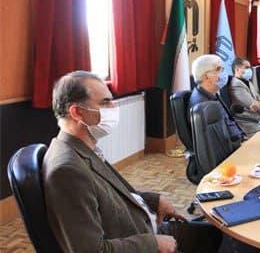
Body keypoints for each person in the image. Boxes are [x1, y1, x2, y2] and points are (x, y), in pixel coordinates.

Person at [43, 71, 223, 253]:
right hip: (144, 243)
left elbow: (113, 197)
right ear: (77, 112)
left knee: (223, 234)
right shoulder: (67, 171)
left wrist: (154, 200)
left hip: (145, 228)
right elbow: (91, 250)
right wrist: (153, 243)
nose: (113, 107)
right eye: (105, 102)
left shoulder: (82, 149)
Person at [188, 54, 247, 142]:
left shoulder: (212, 94)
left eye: (223, 69)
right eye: (219, 69)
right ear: (206, 76)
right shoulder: (203, 105)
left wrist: (242, 137)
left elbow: (228, 123)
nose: (224, 72)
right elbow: (218, 141)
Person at [229, 57, 260, 135]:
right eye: (247, 67)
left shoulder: (247, 82)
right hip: (248, 121)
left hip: (258, 117)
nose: (250, 70)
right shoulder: (236, 84)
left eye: (250, 67)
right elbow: (254, 105)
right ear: (237, 69)